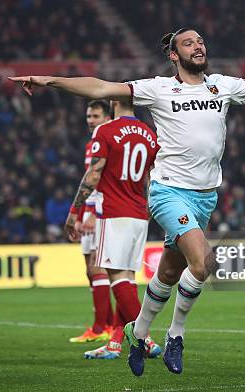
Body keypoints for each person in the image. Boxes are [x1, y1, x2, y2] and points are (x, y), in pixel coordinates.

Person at [9, 28, 245, 376]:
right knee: (203, 262)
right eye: (188, 43)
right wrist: (49, 80)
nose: (198, 46)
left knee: (168, 273)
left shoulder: (222, 86)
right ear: (173, 54)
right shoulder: (158, 88)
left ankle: (138, 331)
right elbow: (100, 87)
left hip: (205, 196)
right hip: (167, 190)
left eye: (200, 41)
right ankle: (177, 334)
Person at [65, 99, 161, 360]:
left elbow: (94, 175)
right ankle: (115, 343)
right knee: (127, 279)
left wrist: (74, 211)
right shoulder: (150, 135)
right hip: (140, 213)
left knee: (117, 279)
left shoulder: (105, 131)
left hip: (115, 212)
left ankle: (146, 338)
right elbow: (153, 178)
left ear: (113, 102)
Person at [68, 100, 115, 343]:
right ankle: (105, 325)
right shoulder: (92, 144)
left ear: (107, 117)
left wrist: (92, 215)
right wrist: (81, 211)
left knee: (98, 268)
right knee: (90, 269)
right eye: (88, 115)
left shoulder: (106, 140)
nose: (90, 120)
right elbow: (89, 182)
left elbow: (100, 183)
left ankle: (102, 328)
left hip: (101, 210)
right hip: (89, 209)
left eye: (95, 115)